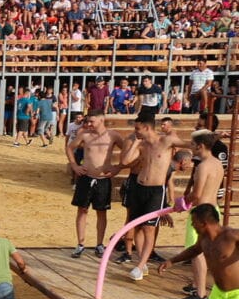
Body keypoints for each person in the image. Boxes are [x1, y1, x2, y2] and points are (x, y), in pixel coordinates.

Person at [118, 117, 186, 281]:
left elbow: (190, 145)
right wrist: (136, 143)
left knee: (149, 229)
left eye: (137, 129)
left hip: (156, 190)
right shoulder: (141, 144)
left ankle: (140, 265)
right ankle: (142, 262)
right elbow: (125, 161)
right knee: (138, 227)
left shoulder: (166, 141)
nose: (135, 132)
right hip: (139, 187)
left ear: (147, 128)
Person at [66, 112, 124, 258]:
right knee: (82, 210)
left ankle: (99, 244)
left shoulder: (113, 136)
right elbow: (69, 148)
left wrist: (118, 167)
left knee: (101, 211)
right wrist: (74, 165)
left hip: (103, 179)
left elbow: (128, 151)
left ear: (101, 120)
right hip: (86, 177)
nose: (89, 124)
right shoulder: (84, 135)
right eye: (88, 122)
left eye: (92, 121)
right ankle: (80, 244)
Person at [178, 133, 226, 299]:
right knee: (207, 251)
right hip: (214, 209)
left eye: (192, 144)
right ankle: (198, 285)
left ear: (200, 146)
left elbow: (197, 195)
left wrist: (181, 202)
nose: (191, 147)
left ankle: (200, 294)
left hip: (201, 213)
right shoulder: (218, 164)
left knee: (196, 251)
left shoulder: (203, 166)